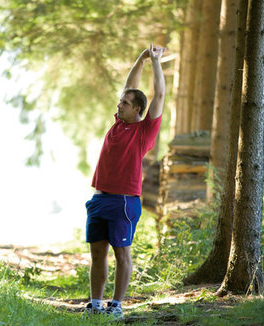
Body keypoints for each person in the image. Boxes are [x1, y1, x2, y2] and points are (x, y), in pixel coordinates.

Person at [84, 44, 165, 318]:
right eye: (121, 101)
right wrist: (141, 58)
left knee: (122, 255)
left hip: (124, 201)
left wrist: (155, 61)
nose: (119, 105)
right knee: (97, 255)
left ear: (138, 109)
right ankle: (95, 305)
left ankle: (115, 307)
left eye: (125, 103)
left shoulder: (144, 131)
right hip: (99, 199)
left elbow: (160, 94)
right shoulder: (118, 123)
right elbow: (130, 85)